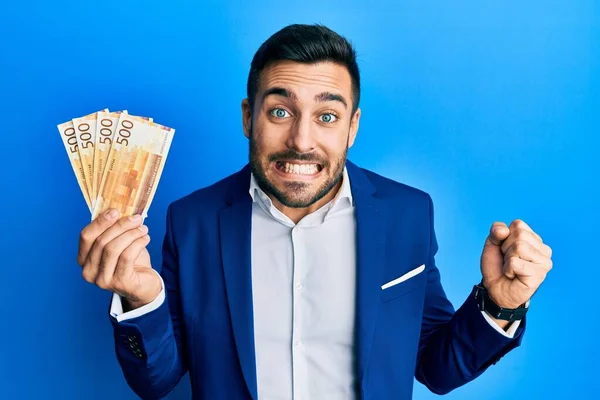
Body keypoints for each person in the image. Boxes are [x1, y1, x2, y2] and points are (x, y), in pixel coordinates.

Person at [76, 24, 553, 400]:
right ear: (249, 117)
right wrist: (141, 300)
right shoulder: (193, 221)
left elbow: (434, 367)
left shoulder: (407, 214)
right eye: (280, 111)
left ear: (352, 127)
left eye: (327, 116)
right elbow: (156, 381)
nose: (302, 140)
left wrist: (500, 304)